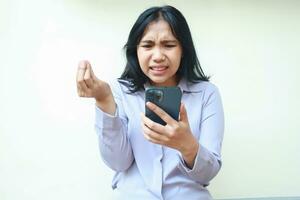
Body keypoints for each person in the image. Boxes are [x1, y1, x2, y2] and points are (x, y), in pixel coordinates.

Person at [76, 5, 224, 200]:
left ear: (183, 50)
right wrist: (104, 101)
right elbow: (118, 163)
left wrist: (186, 144)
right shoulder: (119, 91)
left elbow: (207, 173)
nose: (158, 56)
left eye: (169, 45)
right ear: (135, 51)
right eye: (147, 45)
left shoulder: (207, 94)